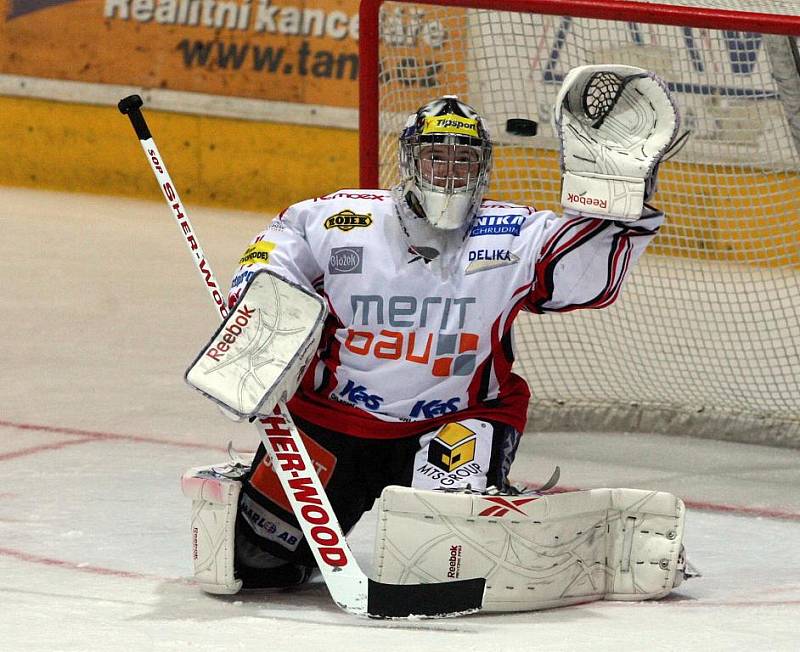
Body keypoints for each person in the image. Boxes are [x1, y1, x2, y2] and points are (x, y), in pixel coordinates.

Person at [188, 75, 679, 592]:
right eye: (436, 159)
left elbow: (585, 280)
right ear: (410, 162)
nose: (450, 174)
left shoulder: (513, 234)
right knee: (258, 563)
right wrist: (260, 310)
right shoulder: (343, 220)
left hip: (455, 424)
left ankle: (539, 525)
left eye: (464, 161)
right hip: (333, 422)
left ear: (483, 168)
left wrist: (621, 199)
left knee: (446, 568)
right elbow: (281, 242)